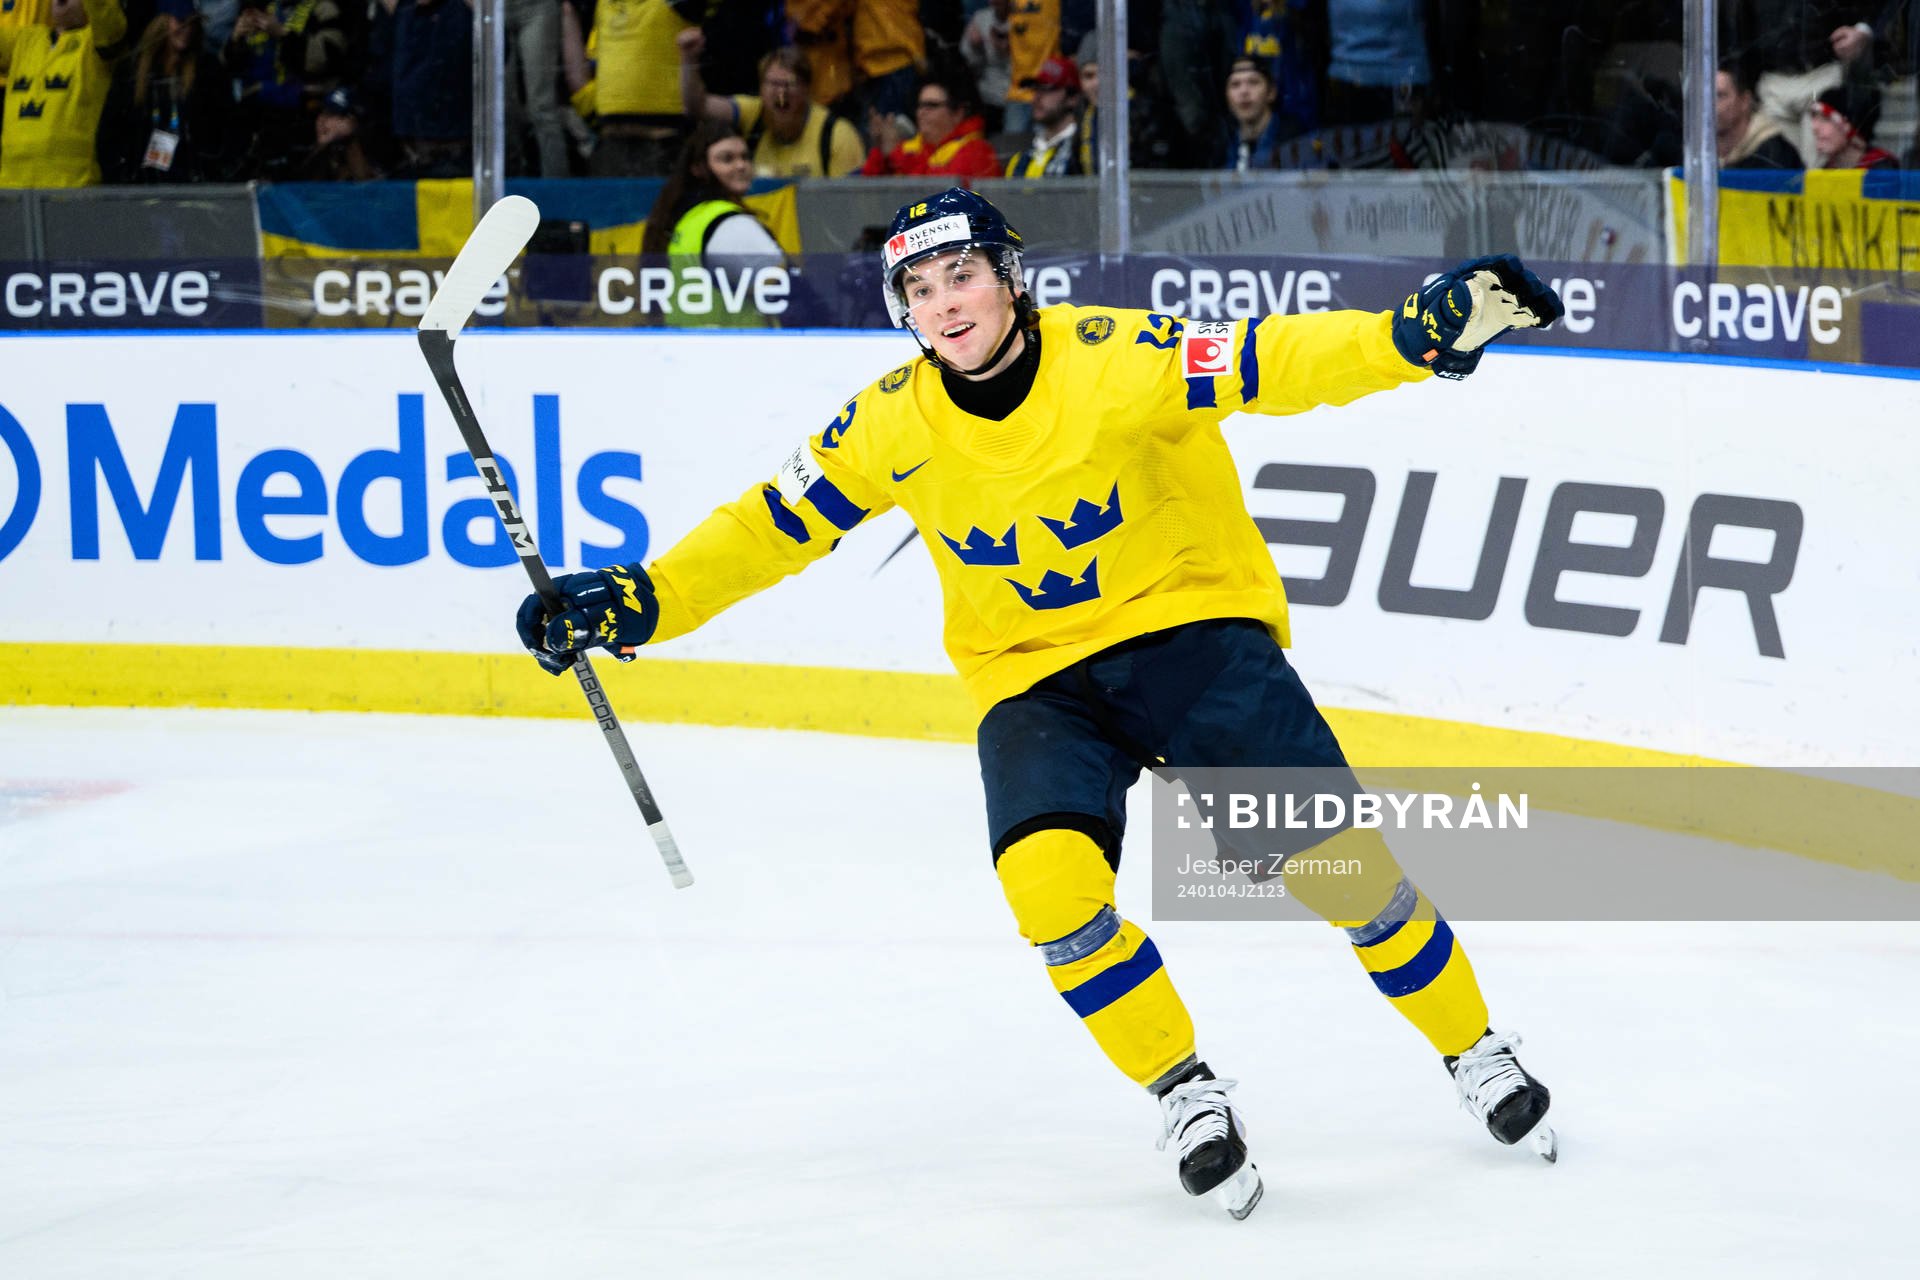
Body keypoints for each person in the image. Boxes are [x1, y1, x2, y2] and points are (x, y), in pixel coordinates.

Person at [514, 188, 1566, 1215]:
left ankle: (1473, 1046)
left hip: (1189, 638)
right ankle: (1184, 1090)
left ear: (1010, 278)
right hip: (1033, 680)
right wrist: (646, 598)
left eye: (962, 273)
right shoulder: (887, 420)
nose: (944, 303)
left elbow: (1273, 359)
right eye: (920, 288)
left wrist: (1410, 337)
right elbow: (766, 526)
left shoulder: (1119, 355)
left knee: (1346, 873)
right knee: (1049, 893)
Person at [639, 119, 784, 327]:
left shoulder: (689, 219)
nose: (741, 165)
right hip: (739, 342)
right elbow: (789, 290)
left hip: (689, 340)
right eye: (727, 159)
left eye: (745, 157)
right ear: (698, 168)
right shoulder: (729, 224)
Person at [676, 30, 862, 178]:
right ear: (761, 89)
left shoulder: (837, 135)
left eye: (789, 84)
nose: (781, 93)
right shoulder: (752, 113)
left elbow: (849, 203)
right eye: (773, 84)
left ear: (806, 90)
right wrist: (689, 59)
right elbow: (697, 107)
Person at [98, 0, 233, 183]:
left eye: (192, 23)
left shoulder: (207, 70)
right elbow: (109, 132)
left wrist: (214, 170)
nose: (187, 30)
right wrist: (120, 177)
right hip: (140, 184)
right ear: (162, 22)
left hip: (194, 184)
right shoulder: (131, 72)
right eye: (181, 21)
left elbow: (226, 125)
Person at [0, 0, 127, 187]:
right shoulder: (24, 40)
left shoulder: (95, 46)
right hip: (12, 186)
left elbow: (109, 21)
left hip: (71, 186)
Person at [862, 68, 1000, 177]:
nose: (921, 112)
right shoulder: (907, 148)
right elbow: (868, 194)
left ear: (958, 113)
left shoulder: (977, 151)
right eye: (920, 105)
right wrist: (879, 152)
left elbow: (940, 192)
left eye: (931, 105)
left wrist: (896, 155)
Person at [1002, 53, 1083, 176]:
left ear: (1072, 98)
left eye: (1047, 89)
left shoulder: (1085, 153)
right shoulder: (1019, 160)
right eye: (1035, 89)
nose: (1036, 97)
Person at [1717, 59, 1805, 168]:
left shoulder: (1774, 155)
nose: (1709, 104)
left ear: (1745, 101)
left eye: (1719, 95)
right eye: (1704, 96)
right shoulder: (1703, 154)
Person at [1218, 53, 1291, 171]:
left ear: (1271, 92)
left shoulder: (1293, 141)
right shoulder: (1219, 144)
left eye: (1253, 82)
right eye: (1235, 85)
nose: (1244, 91)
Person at [1809, 81, 1900, 167]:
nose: (1814, 127)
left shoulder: (1881, 170)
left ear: (1851, 129)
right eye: (1814, 118)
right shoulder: (1822, 171)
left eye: (1826, 119)